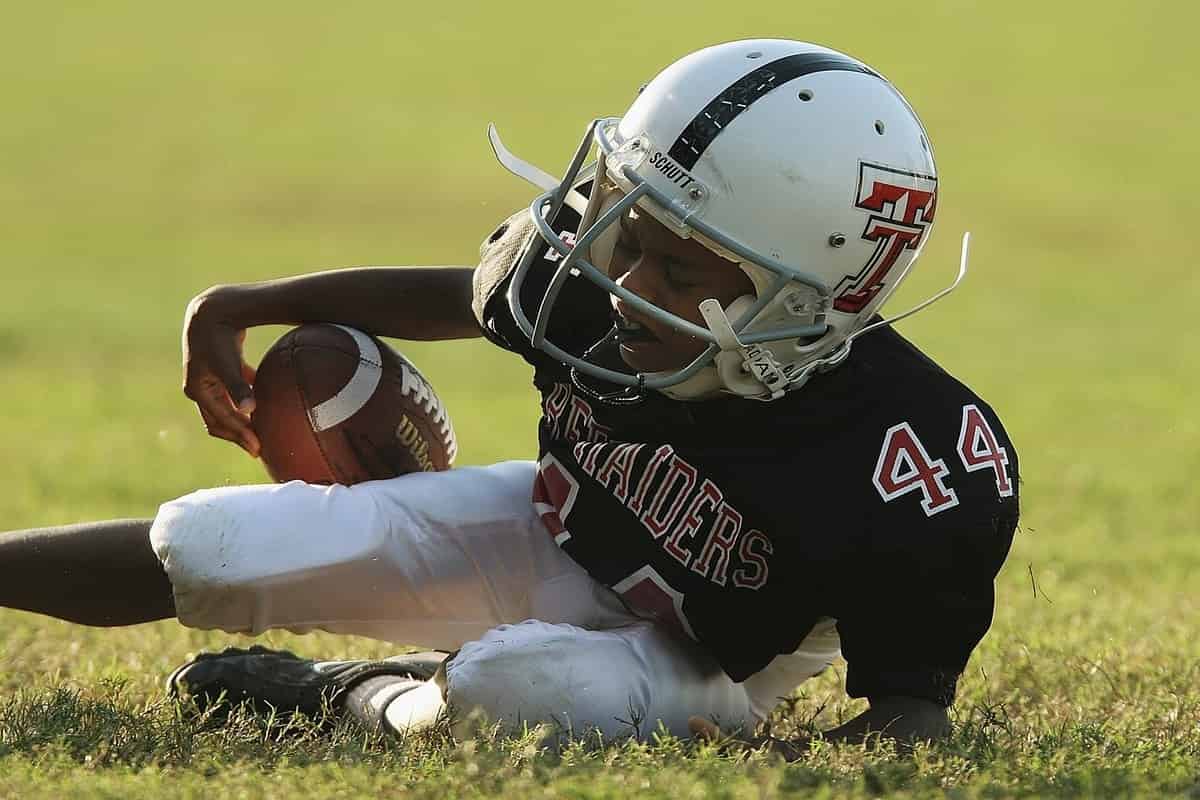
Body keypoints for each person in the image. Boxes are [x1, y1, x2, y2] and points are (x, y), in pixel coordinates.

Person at [0, 39, 1018, 753]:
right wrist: (249, 300)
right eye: (631, 235)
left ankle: (339, 694)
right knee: (213, 544)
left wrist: (779, 755)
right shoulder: (612, 271)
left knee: (513, 689)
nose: (627, 281)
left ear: (809, 304)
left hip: (720, 652)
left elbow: (907, 719)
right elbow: (463, 296)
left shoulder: (906, 452)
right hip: (556, 524)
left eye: (682, 270)